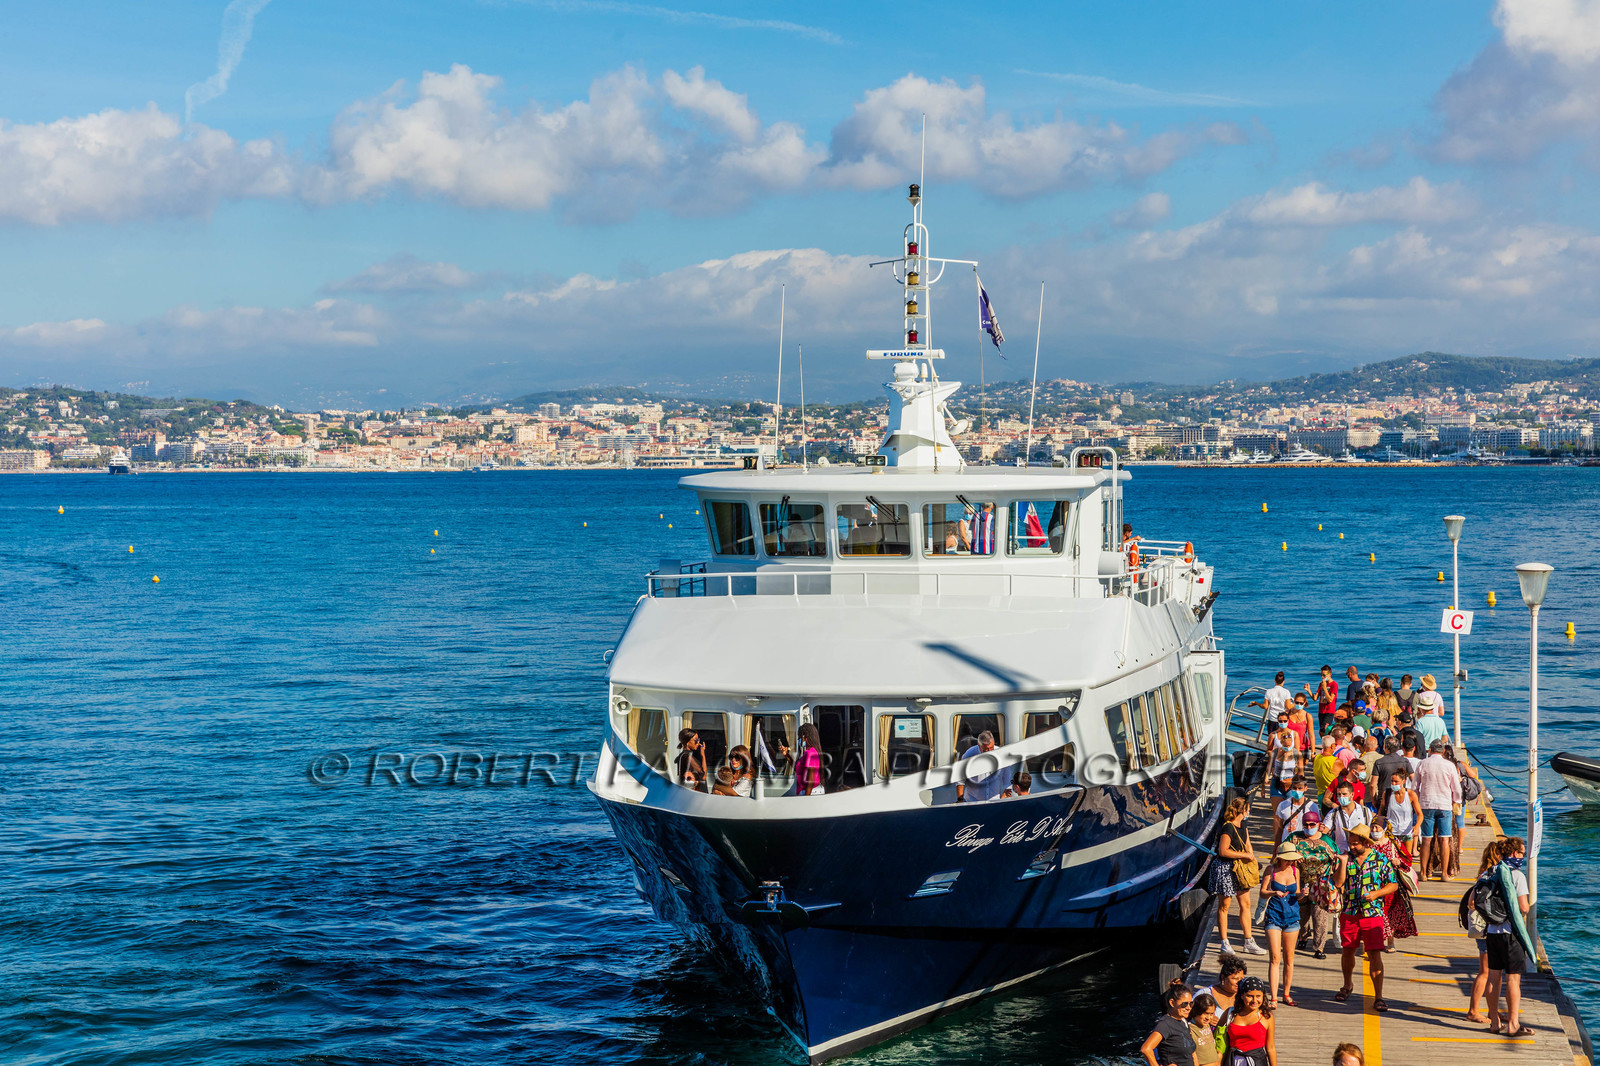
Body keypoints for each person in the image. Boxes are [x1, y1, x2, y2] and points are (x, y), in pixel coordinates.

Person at [1334, 824, 1396, 1012]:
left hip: (1372, 913)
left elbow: (1393, 884)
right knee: (1348, 950)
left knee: (1374, 953)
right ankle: (1347, 985)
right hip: (1350, 911)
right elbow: (1338, 883)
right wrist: (1342, 863)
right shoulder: (1347, 858)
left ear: (1366, 843)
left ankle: (1378, 996)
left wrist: (1376, 894)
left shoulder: (1380, 860)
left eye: (1355, 844)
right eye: (1350, 843)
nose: (1352, 847)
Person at [1485, 837, 1534, 1037]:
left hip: (1491, 932)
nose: (1523, 857)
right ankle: (1513, 1024)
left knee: (1493, 977)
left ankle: (1494, 1022)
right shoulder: (1516, 875)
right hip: (1511, 934)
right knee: (1513, 979)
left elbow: (1472, 901)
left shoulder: (1490, 871)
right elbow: (1523, 907)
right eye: (1522, 853)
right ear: (1514, 853)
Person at [1212, 796, 1265, 955]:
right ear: (1243, 811)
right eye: (1248, 810)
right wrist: (1244, 855)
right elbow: (1223, 851)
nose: (1249, 812)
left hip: (1240, 869)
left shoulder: (1243, 824)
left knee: (1245, 904)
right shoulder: (1228, 828)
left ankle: (1248, 941)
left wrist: (1251, 856)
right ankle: (1224, 942)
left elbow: (1247, 843)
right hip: (1226, 868)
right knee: (1224, 906)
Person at [1466, 838, 1508, 1024]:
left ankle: (1492, 1010)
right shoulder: (1488, 876)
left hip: (1489, 928)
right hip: (1486, 929)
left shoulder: (1487, 874)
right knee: (1485, 972)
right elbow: (1472, 903)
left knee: (1494, 973)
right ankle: (1473, 1011)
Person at [1291, 809, 1339, 959]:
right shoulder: (1294, 838)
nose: (1308, 827)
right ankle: (1303, 937)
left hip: (1321, 884)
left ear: (1318, 824)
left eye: (1312, 824)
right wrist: (1293, 857)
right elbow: (1283, 853)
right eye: (1305, 824)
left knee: (1320, 915)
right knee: (1301, 913)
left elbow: (1336, 860)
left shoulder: (1327, 841)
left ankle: (1319, 947)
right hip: (1300, 881)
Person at [1415, 738, 1462, 882]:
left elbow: (1415, 786)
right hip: (1444, 805)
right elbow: (1457, 789)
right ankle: (1444, 874)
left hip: (1426, 804)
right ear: (1442, 752)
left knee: (1426, 840)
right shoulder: (1449, 765)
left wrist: (1417, 802)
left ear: (1430, 750)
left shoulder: (1422, 763)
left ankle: (1423, 873)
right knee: (1444, 839)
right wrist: (1455, 801)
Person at [1261, 844, 1301, 1006]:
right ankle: (1274, 997)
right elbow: (1263, 892)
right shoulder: (1270, 870)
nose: (1290, 862)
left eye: (1292, 860)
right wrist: (1273, 892)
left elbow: (1297, 894)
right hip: (1274, 916)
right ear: (1280, 858)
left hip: (1292, 917)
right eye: (1287, 860)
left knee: (1289, 959)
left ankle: (1286, 994)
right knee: (1275, 958)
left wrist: (1304, 894)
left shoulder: (1295, 871)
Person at [1367, 823, 1418, 949]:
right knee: (1375, 912)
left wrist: (1398, 862)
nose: (1374, 830)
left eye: (1377, 827)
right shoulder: (1367, 843)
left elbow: (1408, 859)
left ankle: (1390, 941)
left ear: (1384, 828)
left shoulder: (1393, 842)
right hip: (1373, 884)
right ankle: (1377, 941)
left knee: (1391, 913)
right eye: (1372, 827)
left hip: (1392, 884)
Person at [1221, 976, 1275, 1066]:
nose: (1254, 1000)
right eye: (1249, 996)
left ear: (1263, 996)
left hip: (1257, 1062)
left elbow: (1271, 1047)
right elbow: (1217, 1038)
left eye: (1258, 996)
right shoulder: (1230, 1014)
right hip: (1232, 1061)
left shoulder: (1266, 1016)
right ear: (1242, 996)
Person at [1139, 984, 1198, 1066]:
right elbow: (1146, 1049)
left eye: (1191, 1004)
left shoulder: (1183, 1021)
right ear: (1172, 1003)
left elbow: (1191, 1053)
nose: (1188, 1007)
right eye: (1184, 1004)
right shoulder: (1165, 1024)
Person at [957, 730, 1013, 802]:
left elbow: (1007, 782)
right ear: (979, 745)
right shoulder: (969, 755)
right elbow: (960, 780)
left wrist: (1001, 801)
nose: (989, 752)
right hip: (972, 800)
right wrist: (960, 800)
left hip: (994, 801)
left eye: (991, 748)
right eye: (986, 750)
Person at [1382, 769, 1422, 866]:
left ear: (1403, 781)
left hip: (1406, 832)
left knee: (1406, 861)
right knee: (1390, 861)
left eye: (1396, 781)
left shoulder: (1411, 794)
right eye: (1392, 781)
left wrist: (1417, 827)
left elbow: (1420, 814)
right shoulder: (1387, 794)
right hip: (1391, 833)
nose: (1393, 783)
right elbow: (1381, 811)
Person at [1326, 782, 1371, 853]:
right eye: (1339, 794)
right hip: (1341, 853)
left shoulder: (1365, 811)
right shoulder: (1333, 813)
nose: (1341, 797)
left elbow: (1370, 831)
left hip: (1360, 853)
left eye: (1344, 794)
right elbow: (1324, 831)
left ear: (1352, 794)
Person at [1273, 776, 1316, 848]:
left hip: (1304, 846)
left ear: (1306, 788)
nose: (1297, 791)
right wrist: (1276, 847)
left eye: (1300, 788)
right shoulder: (1282, 805)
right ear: (1291, 788)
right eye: (1294, 788)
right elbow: (1278, 828)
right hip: (1287, 845)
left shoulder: (1312, 806)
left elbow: (1315, 828)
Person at [787, 722, 825, 796]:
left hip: (809, 792)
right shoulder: (810, 752)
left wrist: (805, 799)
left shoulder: (810, 753)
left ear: (805, 737)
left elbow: (810, 781)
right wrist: (786, 755)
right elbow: (798, 769)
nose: (798, 739)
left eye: (799, 737)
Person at [1267, 713, 1299, 796]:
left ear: (1288, 721)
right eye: (1280, 721)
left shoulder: (1294, 734)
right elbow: (1269, 749)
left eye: (1285, 721)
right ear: (1277, 721)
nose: (1283, 723)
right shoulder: (1273, 735)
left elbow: (1297, 752)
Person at [1413, 675, 1448, 749]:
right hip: (1436, 722)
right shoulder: (1438, 696)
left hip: (1423, 721)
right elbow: (1441, 713)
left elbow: (1417, 712)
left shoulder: (1420, 695)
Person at [1190, 992, 1221, 1066]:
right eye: (1205, 1013)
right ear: (1196, 1011)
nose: (1208, 1018)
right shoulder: (1190, 1029)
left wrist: (1219, 1055)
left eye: (1211, 1014)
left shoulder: (1206, 1025)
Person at [1308, 665, 1338, 734]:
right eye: (1321, 675)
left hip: (1329, 711)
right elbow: (1315, 698)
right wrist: (1308, 690)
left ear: (1329, 674)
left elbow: (1330, 700)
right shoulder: (1321, 684)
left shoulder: (1334, 685)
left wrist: (1324, 688)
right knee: (1321, 731)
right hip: (1321, 711)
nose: (1322, 677)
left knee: (1324, 731)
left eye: (1324, 675)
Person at [1312, 736, 1342, 801]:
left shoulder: (1316, 758)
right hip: (1331, 795)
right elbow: (1346, 775)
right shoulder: (1336, 761)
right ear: (1332, 746)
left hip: (1320, 794)